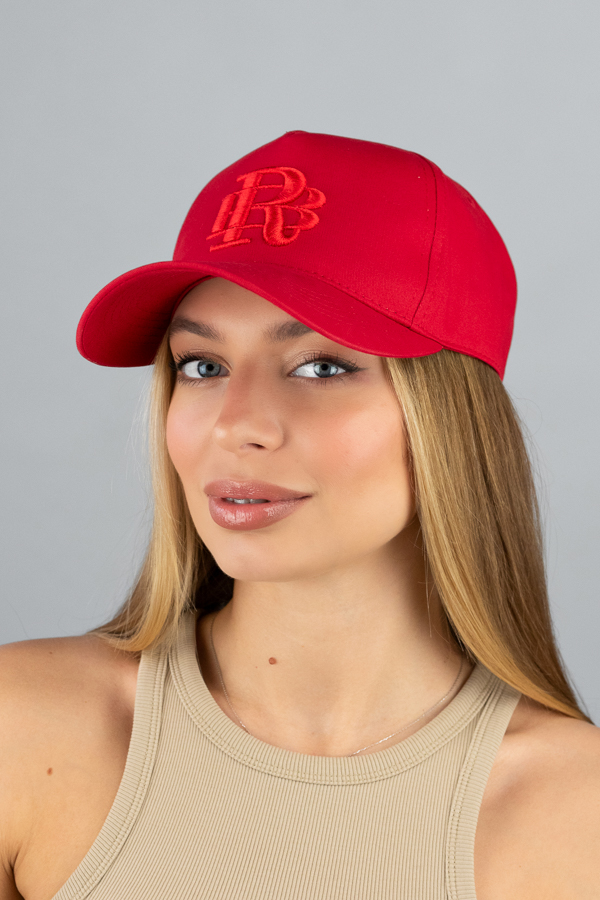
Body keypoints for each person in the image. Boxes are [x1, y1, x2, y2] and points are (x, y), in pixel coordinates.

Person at [1, 131, 598, 900]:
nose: (236, 424)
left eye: (322, 366)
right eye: (203, 366)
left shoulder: (573, 813)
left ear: (451, 422)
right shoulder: (25, 728)